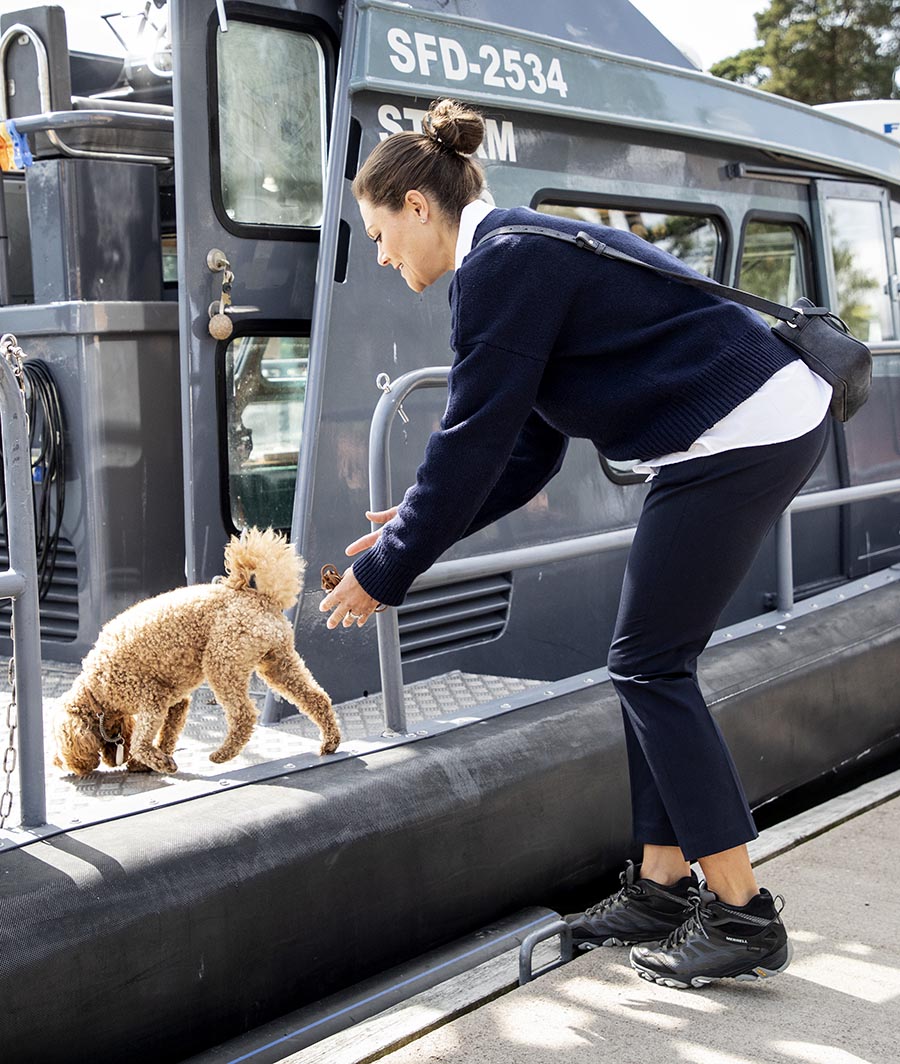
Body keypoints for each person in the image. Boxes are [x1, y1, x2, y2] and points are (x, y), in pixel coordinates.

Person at [319, 98, 831, 988]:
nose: (381, 254)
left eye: (377, 233)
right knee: (647, 660)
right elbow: (523, 451)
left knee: (647, 664)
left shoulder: (504, 263)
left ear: (417, 206)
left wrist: (390, 569)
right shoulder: (514, 254)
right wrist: (409, 526)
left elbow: (471, 436)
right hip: (729, 429)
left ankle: (743, 915)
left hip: (741, 428)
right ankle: (662, 889)